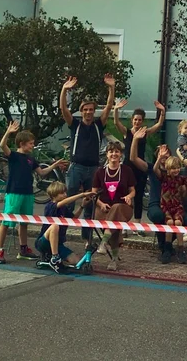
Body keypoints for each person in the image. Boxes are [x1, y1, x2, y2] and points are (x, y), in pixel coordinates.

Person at [0, 121, 69, 264]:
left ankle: (23, 249)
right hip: (14, 193)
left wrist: (55, 165)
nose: (33, 146)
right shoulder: (14, 156)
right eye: (31, 143)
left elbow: (42, 172)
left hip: (28, 193)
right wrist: (8, 132)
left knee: (24, 222)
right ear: (22, 143)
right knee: (7, 222)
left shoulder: (31, 159)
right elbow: (3, 146)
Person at [60, 74, 116, 239]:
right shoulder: (75, 125)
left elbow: (109, 106)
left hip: (93, 169)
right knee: (69, 201)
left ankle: (87, 239)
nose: (88, 112)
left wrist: (111, 88)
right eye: (85, 109)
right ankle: (61, 233)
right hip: (76, 167)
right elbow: (64, 109)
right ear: (81, 111)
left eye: (91, 109)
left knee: (90, 204)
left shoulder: (98, 125)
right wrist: (64, 90)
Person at [129, 128, 187, 263]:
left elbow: (185, 195)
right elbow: (133, 158)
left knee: (186, 220)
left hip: (174, 206)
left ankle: (170, 246)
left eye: (166, 154)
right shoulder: (153, 169)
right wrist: (135, 139)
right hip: (156, 205)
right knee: (160, 216)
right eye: (161, 154)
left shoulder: (176, 173)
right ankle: (165, 248)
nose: (164, 156)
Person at [113, 99, 165, 225]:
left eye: (140, 120)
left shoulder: (144, 132)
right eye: (135, 119)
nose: (137, 122)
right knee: (125, 195)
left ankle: (137, 223)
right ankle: (124, 223)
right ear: (132, 120)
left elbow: (158, 125)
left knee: (139, 195)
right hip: (127, 167)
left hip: (140, 167)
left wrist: (162, 111)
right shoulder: (127, 132)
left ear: (142, 121)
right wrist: (116, 109)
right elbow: (116, 122)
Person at [155, 152, 187, 264]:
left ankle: (180, 249)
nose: (176, 170)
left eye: (178, 168)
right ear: (168, 168)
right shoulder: (164, 177)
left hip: (177, 206)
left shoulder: (181, 179)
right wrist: (159, 158)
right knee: (169, 223)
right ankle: (167, 249)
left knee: (178, 223)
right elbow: (155, 170)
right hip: (166, 206)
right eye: (174, 168)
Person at [92, 141, 136, 271]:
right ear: (107, 154)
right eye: (111, 151)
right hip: (103, 209)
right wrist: (100, 203)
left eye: (116, 151)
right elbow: (93, 192)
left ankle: (104, 242)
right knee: (114, 226)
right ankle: (114, 260)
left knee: (116, 208)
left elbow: (133, 190)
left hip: (123, 207)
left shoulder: (127, 170)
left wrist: (129, 196)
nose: (114, 154)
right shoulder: (100, 172)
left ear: (120, 154)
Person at [35, 182, 96, 271]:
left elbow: (74, 218)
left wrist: (82, 206)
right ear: (54, 195)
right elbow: (63, 203)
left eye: (65, 192)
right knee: (55, 226)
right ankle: (55, 258)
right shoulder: (50, 206)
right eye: (62, 193)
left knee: (76, 261)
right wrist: (82, 194)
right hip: (43, 241)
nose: (65, 195)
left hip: (58, 244)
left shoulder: (64, 208)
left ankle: (51, 256)